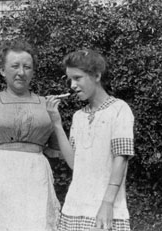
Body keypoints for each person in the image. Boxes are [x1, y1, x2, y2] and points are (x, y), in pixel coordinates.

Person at [0, 39, 74, 231]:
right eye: (15, 66)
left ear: (33, 72)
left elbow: (55, 150)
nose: (21, 72)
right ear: (3, 70)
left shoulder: (46, 105)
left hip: (35, 180)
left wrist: (34, 164)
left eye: (27, 67)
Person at [55, 49, 134, 231]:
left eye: (78, 78)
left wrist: (107, 204)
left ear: (97, 76)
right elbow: (75, 164)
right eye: (70, 80)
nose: (72, 85)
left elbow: (120, 160)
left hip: (105, 208)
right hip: (75, 208)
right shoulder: (78, 117)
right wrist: (56, 124)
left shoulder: (119, 109)